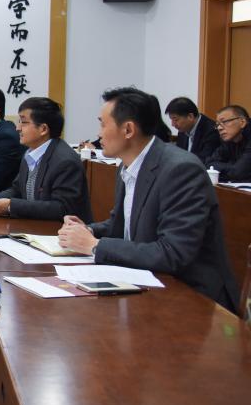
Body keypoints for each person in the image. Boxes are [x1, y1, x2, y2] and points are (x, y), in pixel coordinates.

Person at [57, 87, 238, 313]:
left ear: (128, 129)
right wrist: (87, 231)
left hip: (191, 298)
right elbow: (121, 225)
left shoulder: (181, 169)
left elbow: (173, 252)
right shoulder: (127, 165)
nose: (99, 134)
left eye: (103, 124)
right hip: (145, 283)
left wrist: (94, 245)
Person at [0, 97, 92, 221]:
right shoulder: (30, 153)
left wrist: (10, 206)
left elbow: (62, 208)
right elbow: (17, 189)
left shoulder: (65, 161)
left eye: (23, 122)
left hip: (59, 230)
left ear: (43, 129)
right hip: (35, 226)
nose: (18, 128)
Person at [164, 96, 220, 164]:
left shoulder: (211, 131)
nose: (173, 124)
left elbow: (203, 160)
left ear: (190, 116)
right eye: (171, 120)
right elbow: (179, 155)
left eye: (176, 120)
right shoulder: (183, 129)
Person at [206, 104, 251, 182]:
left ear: (242, 122)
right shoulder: (228, 140)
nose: (219, 128)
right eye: (217, 124)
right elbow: (209, 164)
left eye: (224, 122)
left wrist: (230, 168)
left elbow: (238, 172)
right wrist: (233, 166)